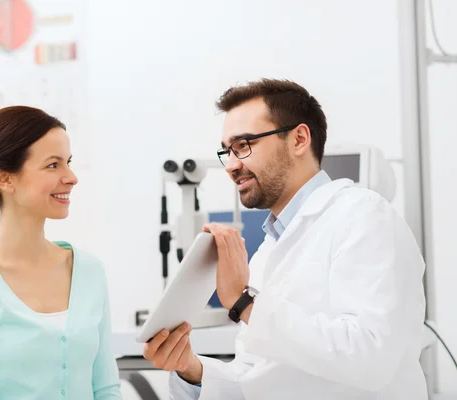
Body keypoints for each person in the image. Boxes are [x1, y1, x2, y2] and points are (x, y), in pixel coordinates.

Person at [142, 79, 428, 399]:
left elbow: (371, 358)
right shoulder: (270, 248)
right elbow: (256, 378)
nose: (232, 165)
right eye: (228, 151)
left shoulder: (364, 216)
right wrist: (192, 371)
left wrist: (244, 302)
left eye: (244, 145)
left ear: (299, 139)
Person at [0, 106, 121, 399]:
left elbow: (106, 388)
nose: (71, 177)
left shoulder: (89, 271)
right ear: (6, 179)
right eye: (53, 165)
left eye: (69, 162)